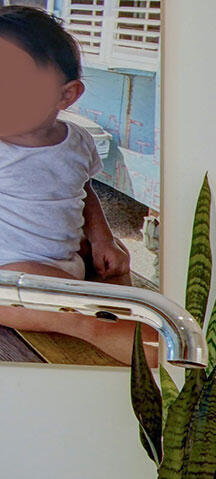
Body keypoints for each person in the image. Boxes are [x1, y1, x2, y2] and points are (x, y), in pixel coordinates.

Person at [0, 4, 148, 364]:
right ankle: (92, 323)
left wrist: (104, 239)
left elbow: (83, 191)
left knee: (114, 266)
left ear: (66, 96)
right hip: (15, 274)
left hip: (64, 269)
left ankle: (95, 321)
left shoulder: (77, 141)